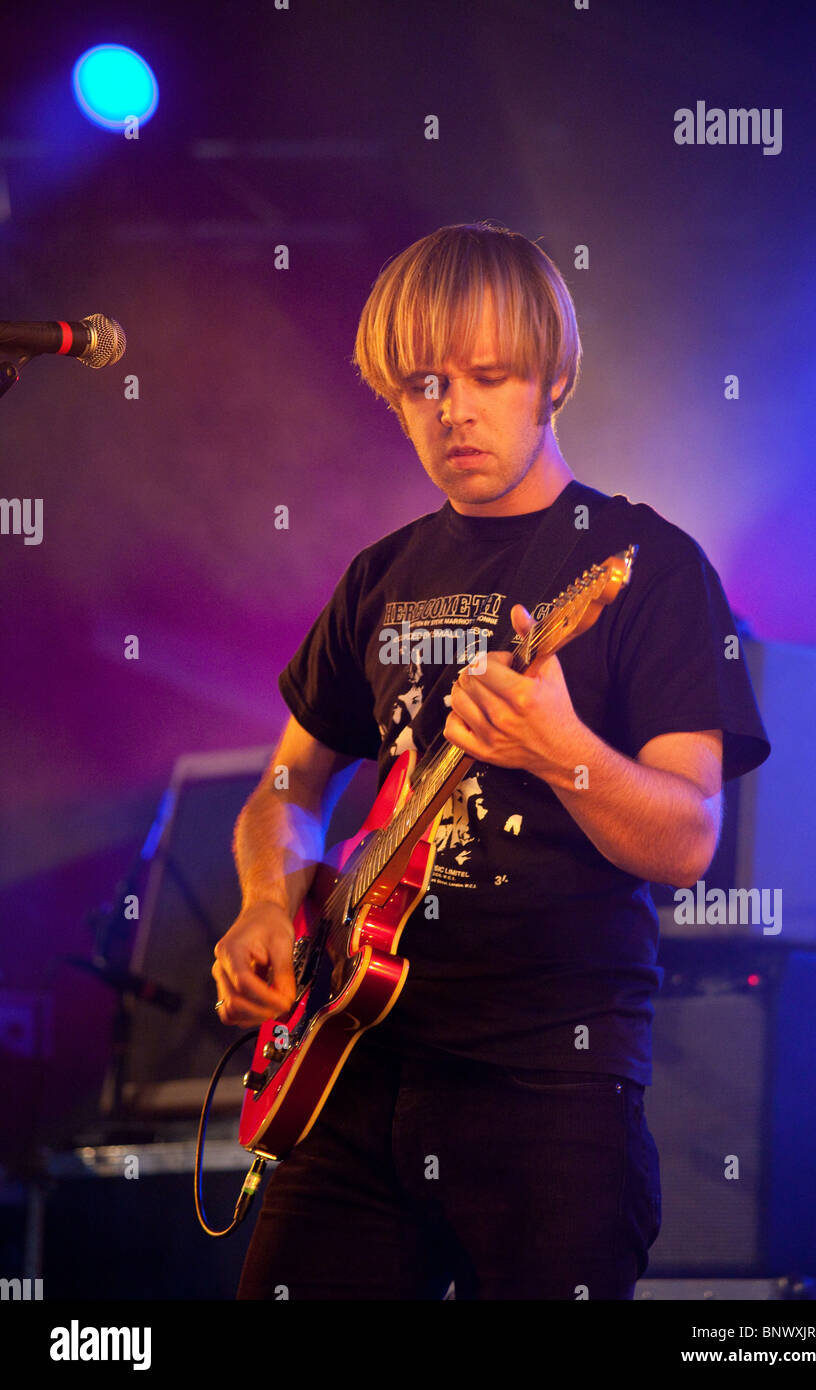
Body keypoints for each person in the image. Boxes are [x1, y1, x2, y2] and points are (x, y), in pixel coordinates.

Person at [212, 221, 771, 1300]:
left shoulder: (644, 567)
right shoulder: (378, 576)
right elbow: (287, 784)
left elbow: (687, 840)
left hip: (549, 1089)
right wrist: (263, 901)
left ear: (554, 379)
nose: (452, 408)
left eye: (488, 376)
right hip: (350, 1078)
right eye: (422, 382)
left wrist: (559, 750)